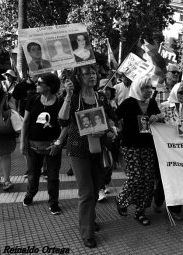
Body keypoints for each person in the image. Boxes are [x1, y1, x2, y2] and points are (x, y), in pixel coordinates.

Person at [58, 64, 115, 248]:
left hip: (99, 149)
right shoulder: (73, 97)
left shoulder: (101, 97)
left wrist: (108, 131)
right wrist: (67, 96)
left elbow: (111, 119)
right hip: (78, 150)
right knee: (86, 192)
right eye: (86, 73)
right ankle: (87, 232)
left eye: (93, 72)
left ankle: (89, 219)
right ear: (79, 77)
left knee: (96, 187)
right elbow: (62, 120)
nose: (92, 75)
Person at [115, 76, 163, 226]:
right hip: (131, 145)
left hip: (148, 145)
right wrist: (114, 129)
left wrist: (158, 116)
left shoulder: (152, 102)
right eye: (145, 88)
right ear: (137, 88)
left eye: (150, 87)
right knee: (136, 177)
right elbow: (114, 116)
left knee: (148, 180)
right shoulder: (129, 103)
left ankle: (140, 211)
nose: (149, 90)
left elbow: (161, 117)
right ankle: (121, 200)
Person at [20, 73, 66, 215]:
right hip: (33, 145)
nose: (36, 84)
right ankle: (30, 194)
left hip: (52, 147)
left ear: (50, 86)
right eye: (37, 82)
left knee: (53, 177)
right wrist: (22, 142)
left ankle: (53, 202)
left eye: (40, 83)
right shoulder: (32, 99)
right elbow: (25, 122)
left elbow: (65, 125)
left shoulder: (60, 102)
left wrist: (58, 143)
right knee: (33, 175)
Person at [155, 82, 183, 220]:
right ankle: (158, 200)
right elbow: (156, 125)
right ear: (174, 93)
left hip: (180, 149)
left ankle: (175, 209)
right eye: (181, 92)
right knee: (164, 178)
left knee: (179, 178)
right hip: (164, 149)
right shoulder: (164, 107)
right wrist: (157, 118)